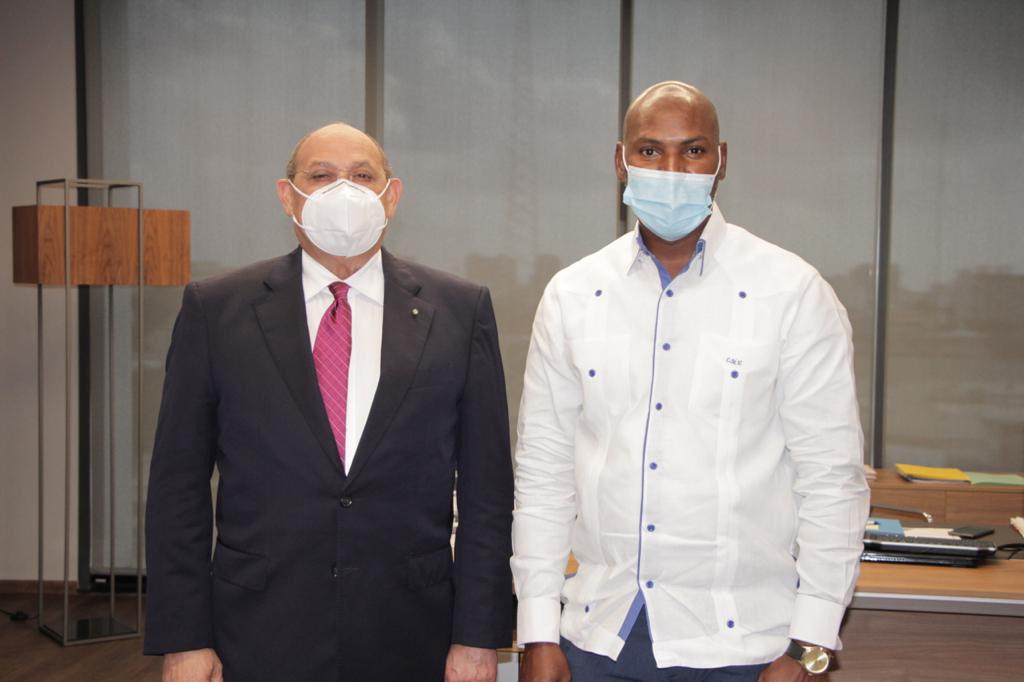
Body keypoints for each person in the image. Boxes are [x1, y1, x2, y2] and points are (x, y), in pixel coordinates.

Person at [511, 81, 869, 681]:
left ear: (721, 161)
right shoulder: (573, 294)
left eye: (693, 151)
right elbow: (544, 473)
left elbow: (831, 480)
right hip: (598, 637)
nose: (671, 171)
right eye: (650, 151)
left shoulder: (792, 292)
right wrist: (538, 632)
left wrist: (810, 649)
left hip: (743, 648)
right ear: (621, 161)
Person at [143, 122, 514, 681]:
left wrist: (479, 638)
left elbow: (488, 491)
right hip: (258, 633)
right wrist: (184, 640)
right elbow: (178, 489)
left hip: (413, 633)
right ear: (287, 195)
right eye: (321, 176)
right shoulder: (215, 310)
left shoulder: (460, 310)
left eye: (363, 176)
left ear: (392, 196)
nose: (344, 190)